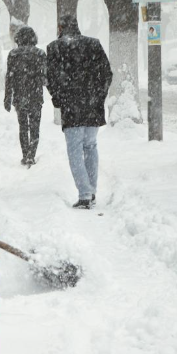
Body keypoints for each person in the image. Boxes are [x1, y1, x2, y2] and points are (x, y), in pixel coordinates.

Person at [46, 15, 112, 209]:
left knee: (75, 150)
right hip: (92, 107)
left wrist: (59, 99)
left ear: (61, 27)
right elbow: (106, 74)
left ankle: (85, 194)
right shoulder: (93, 44)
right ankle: (91, 191)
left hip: (71, 106)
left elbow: (51, 78)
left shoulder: (55, 47)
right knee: (90, 146)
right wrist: (99, 96)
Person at [4, 25, 47, 166]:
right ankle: (31, 154)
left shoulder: (13, 54)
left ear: (18, 39)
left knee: (23, 126)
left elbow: (9, 77)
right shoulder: (40, 54)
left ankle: (25, 154)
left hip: (19, 95)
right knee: (35, 126)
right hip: (35, 95)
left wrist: (8, 97)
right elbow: (45, 77)